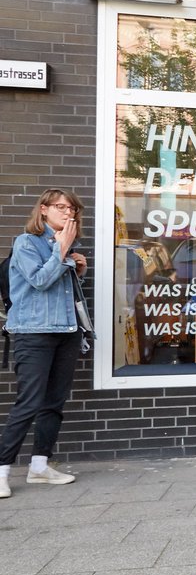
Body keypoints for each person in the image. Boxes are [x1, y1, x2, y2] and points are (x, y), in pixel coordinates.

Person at [0, 189, 89, 496]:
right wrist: (61, 251)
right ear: (43, 210)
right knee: (29, 403)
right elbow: (38, 281)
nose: (69, 214)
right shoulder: (27, 242)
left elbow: (61, 293)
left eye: (72, 210)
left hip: (66, 332)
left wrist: (79, 270)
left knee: (54, 402)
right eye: (62, 207)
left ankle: (40, 466)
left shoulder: (64, 245)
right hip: (33, 333)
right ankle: (2, 471)